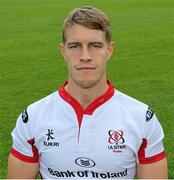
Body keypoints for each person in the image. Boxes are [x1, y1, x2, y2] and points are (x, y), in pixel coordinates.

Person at [7, 6, 168, 179]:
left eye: (95, 45)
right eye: (75, 46)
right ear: (63, 51)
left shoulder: (142, 118)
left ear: (109, 50)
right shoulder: (33, 117)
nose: (85, 56)